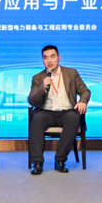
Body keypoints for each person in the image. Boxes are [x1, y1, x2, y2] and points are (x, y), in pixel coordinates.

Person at [28, 45, 90, 175]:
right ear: (42, 60)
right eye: (45, 58)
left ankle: (60, 160)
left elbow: (85, 91)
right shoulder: (38, 77)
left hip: (67, 111)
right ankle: (37, 162)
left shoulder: (71, 73)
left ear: (59, 57)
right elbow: (32, 100)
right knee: (36, 119)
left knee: (73, 118)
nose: (49, 60)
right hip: (46, 112)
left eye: (52, 56)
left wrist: (82, 101)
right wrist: (43, 87)